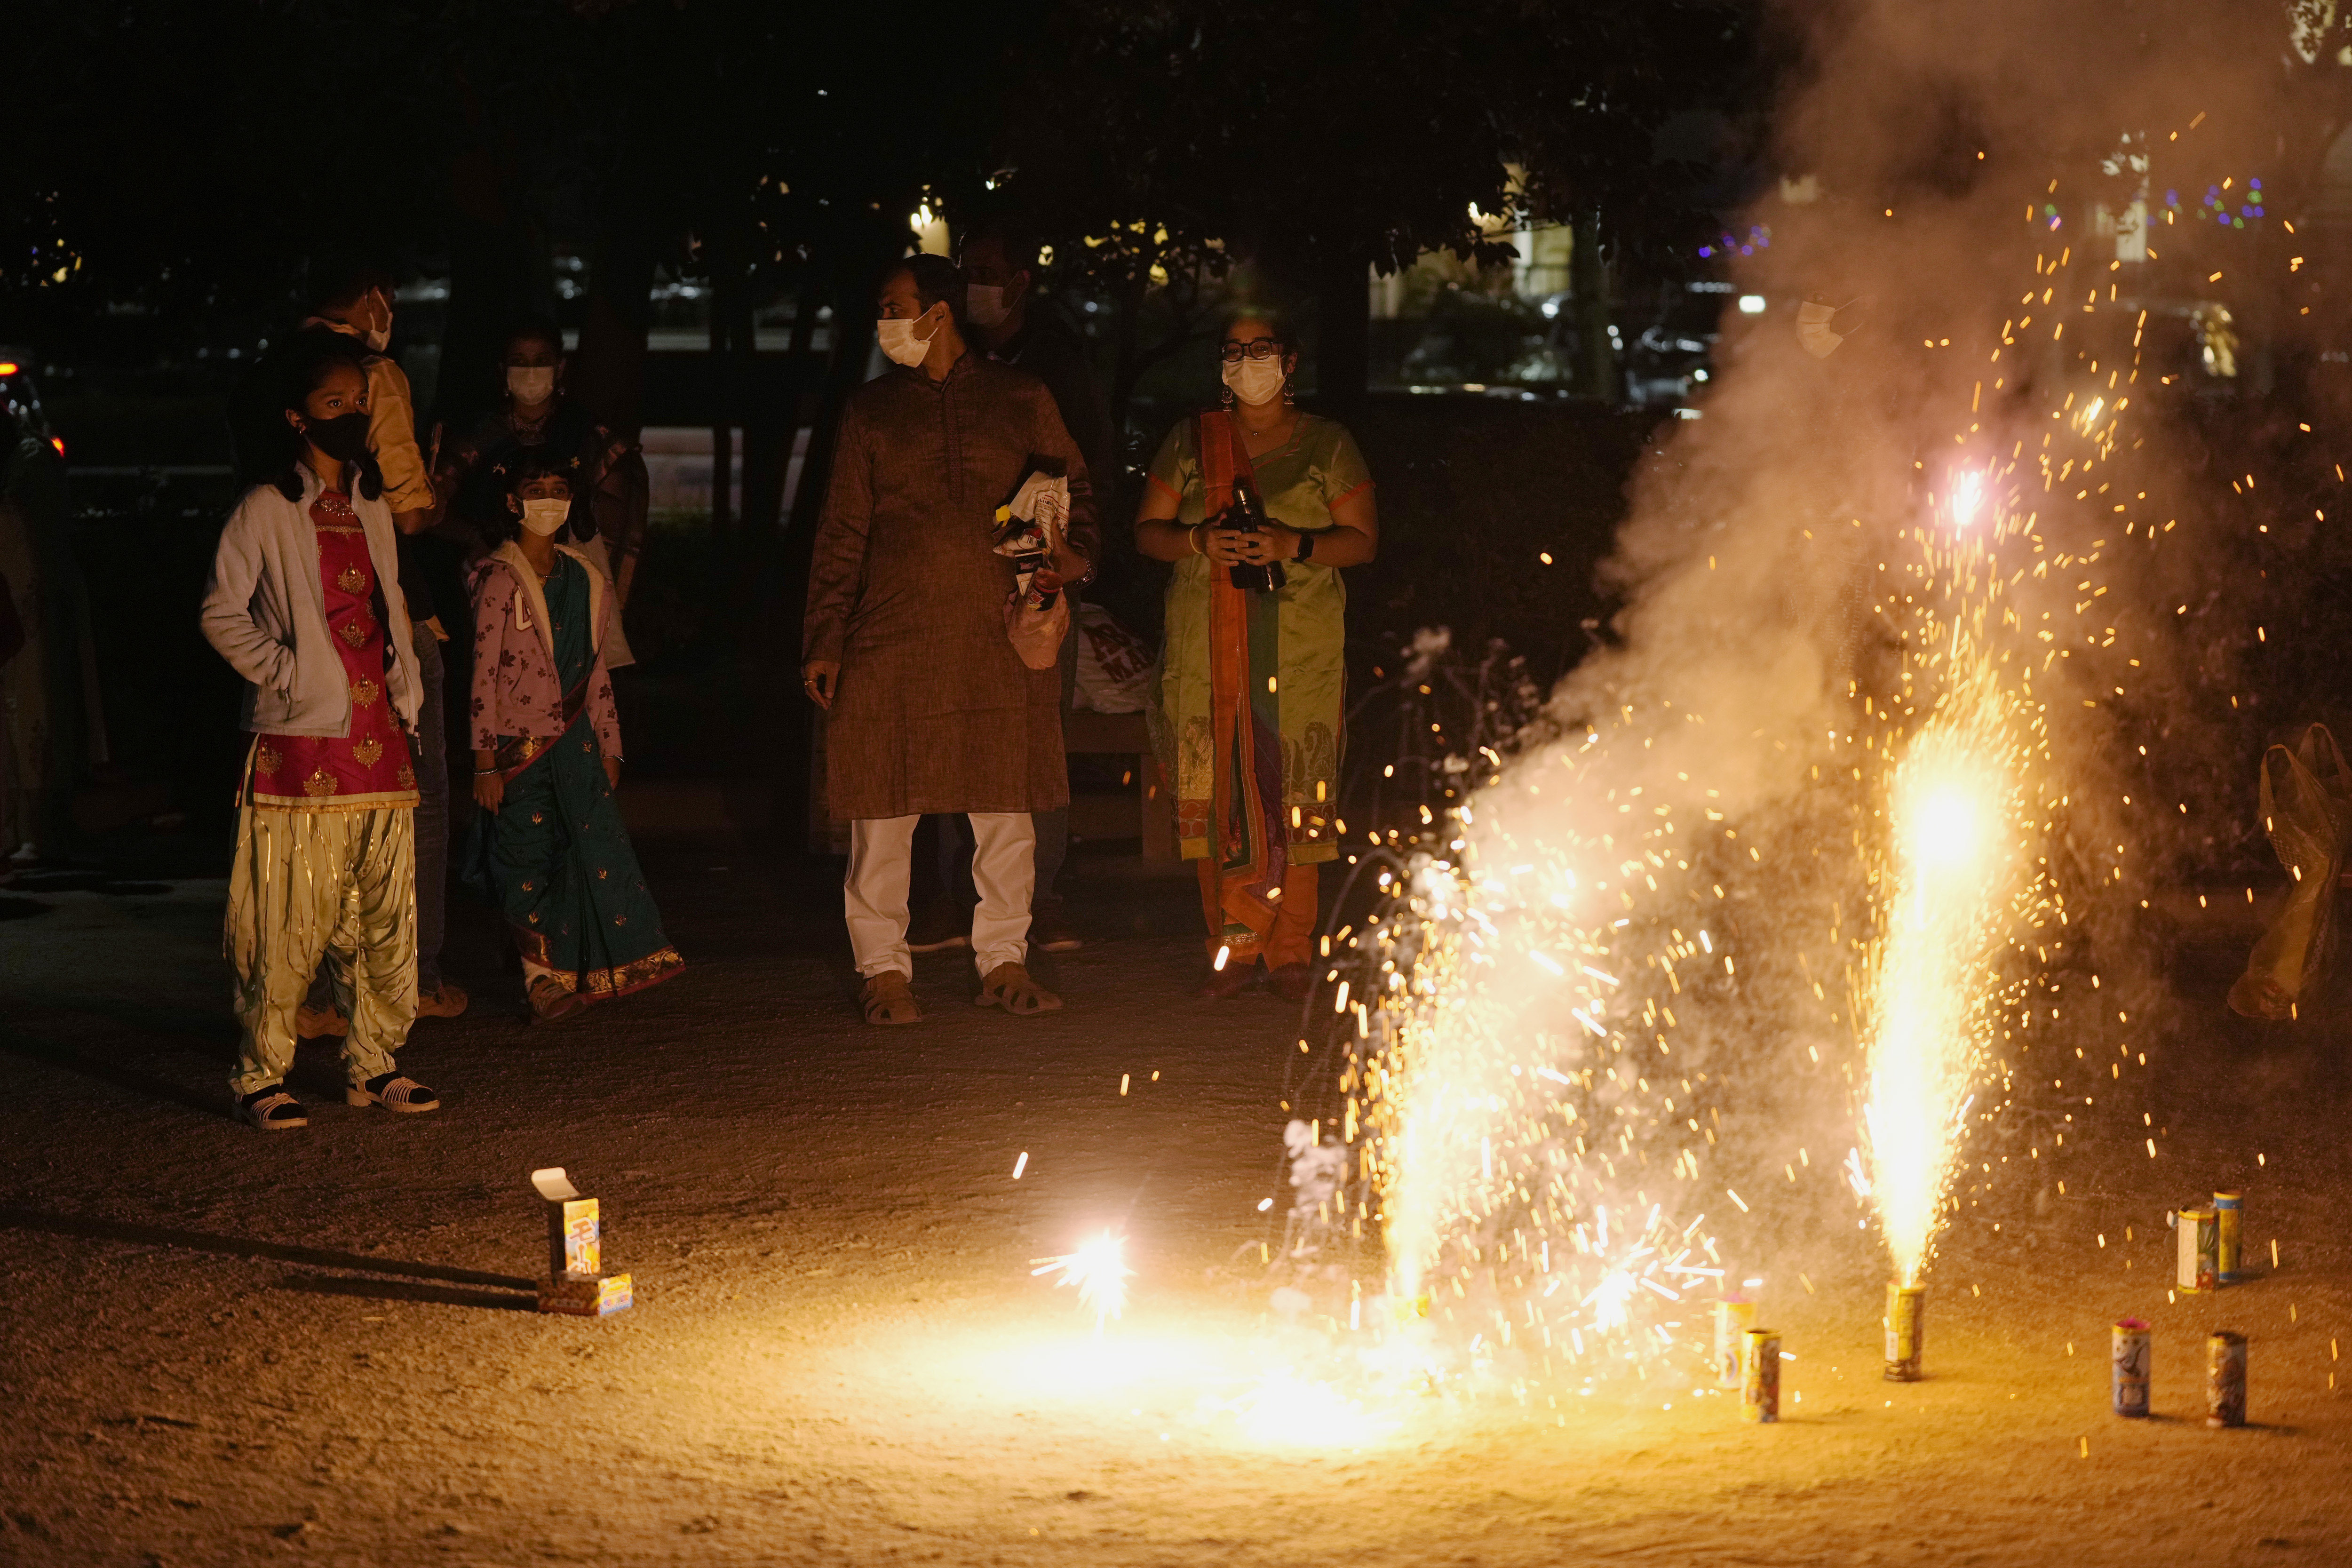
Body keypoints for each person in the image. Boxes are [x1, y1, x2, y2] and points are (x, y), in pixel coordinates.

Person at [802, 254, 1095, 1025]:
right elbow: (841, 532)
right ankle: (882, 969)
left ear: (939, 311)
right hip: (890, 633)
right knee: (882, 808)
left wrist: (1063, 556)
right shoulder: (871, 411)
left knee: (1004, 806)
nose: (885, 323)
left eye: (895, 306)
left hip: (998, 631)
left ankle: (1003, 957)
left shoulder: (1021, 397)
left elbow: (1078, 495)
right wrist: (825, 638)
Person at [199, 343, 443, 1129]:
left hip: (379, 739)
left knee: (383, 915)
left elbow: (391, 605)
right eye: (335, 403)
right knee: (288, 919)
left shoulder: (370, 504)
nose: (354, 415)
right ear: (297, 416)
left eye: (360, 401)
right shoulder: (265, 508)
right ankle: (261, 1072)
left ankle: (375, 1063)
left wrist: (405, 688)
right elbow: (220, 612)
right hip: (300, 750)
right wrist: (289, 672)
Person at [1134, 308, 1377, 1001]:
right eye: (1234, 351)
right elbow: (1146, 532)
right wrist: (1197, 542)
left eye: (1261, 348)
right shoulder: (1193, 441)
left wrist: (1292, 545)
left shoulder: (1327, 445)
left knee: (1296, 794)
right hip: (1205, 649)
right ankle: (1232, 947)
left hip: (1297, 652)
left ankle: (1291, 949)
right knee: (1215, 793)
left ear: (1290, 361)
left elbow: (1361, 542)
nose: (1247, 362)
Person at [898, 214, 1116, 957]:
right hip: (948, 583)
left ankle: (1040, 894)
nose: (973, 284)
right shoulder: (932, 362)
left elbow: (1083, 470)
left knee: (1032, 733)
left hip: (1037, 577)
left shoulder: (1053, 365)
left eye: (986, 270)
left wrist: (1070, 556)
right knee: (946, 729)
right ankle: (949, 895)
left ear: (1020, 281)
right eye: (965, 270)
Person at [286, 262, 467, 1026]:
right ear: (369, 303)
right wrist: (443, 486)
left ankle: (317, 989)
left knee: (316, 799)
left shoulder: (273, 373)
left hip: (302, 610)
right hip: (379, 612)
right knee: (417, 796)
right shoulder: (374, 377)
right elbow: (409, 509)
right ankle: (414, 977)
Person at [468, 455, 682, 1023]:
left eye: (559, 489)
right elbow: (482, 677)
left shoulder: (585, 578)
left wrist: (612, 746)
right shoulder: (496, 578)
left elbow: (598, 671)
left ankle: (568, 972)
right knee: (523, 856)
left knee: (578, 854)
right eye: (535, 489)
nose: (548, 500)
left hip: (577, 743)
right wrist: (484, 761)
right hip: (517, 751)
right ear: (512, 503)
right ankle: (539, 980)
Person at [435, 316, 647, 668]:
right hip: (496, 578)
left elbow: (617, 512)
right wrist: (478, 537)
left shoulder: (585, 434)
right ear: (503, 369)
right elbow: (428, 506)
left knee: (568, 675)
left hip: (567, 581)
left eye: (541, 362)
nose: (530, 372)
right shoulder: (481, 435)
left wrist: (572, 506)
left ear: (561, 367)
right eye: (519, 362)